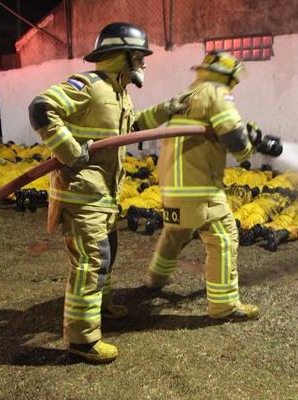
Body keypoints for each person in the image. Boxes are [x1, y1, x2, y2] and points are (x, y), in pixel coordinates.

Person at [28, 22, 186, 363]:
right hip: (82, 196)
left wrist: (168, 108)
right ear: (123, 57)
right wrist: (70, 151)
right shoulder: (88, 86)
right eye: (140, 56)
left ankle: (101, 304)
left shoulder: (118, 94)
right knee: (90, 262)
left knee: (107, 254)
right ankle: (82, 340)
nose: (143, 63)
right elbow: (41, 109)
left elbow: (134, 128)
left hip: (104, 196)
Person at [145, 51, 263, 321]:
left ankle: (155, 278)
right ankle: (224, 306)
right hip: (199, 187)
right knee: (223, 237)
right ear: (229, 77)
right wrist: (247, 150)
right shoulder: (217, 92)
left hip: (172, 185)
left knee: (176, 232)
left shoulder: (188, 95)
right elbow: (232, 133)